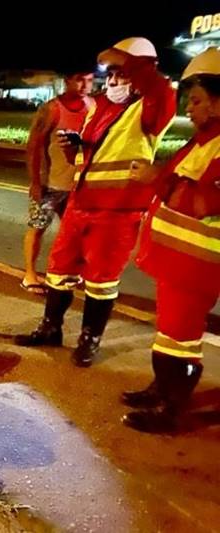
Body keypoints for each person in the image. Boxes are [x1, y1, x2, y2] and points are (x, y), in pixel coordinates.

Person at [15, 37, 177, 367]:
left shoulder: (152, 105)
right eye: (112, 73)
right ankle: (51, 328)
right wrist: (75, 147)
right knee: (59, 270)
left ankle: (91, 339)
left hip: (118, 210)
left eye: (121, 71)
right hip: (80, 203)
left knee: (101, 281)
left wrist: (126, 58)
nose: (113, 79)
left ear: (142, 70)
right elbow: (94, 152)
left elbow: (157, 90)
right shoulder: (101, 106)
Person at [120, 48, 220, 433]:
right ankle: (162, 389)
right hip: (179, 262)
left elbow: (203, 201)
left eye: (196, 101)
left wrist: (156, 178)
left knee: (181, 341)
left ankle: (172, 408)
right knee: (169, 334)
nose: (189, 109)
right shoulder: (203, 140)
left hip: (197, 266)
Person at [21, 68, 95, 294]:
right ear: (67, 81)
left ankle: (72, 272)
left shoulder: (93, 106)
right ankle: (30, 274)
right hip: (50, 184)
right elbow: (34, 147)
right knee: (38, 227)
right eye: (79, 80)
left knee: (77, 232)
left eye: (89, 81)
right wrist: (35, 181)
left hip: (78, 185)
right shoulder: (52, 109)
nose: (84, 86)